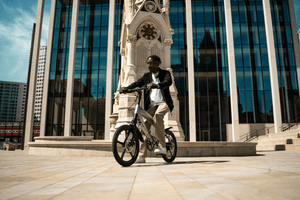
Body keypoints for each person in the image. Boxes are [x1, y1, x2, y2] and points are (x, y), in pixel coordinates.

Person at [120, 55, 174, 163]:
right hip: (152, 105)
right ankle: (141, 156)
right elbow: (137, 83)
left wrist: (157, 85)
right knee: (142, 128)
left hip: (164, 103)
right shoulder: (146, 76)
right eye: (147, 63)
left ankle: (162, 146)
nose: (148, 65)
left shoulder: (165, 73)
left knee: (158, 116)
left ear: (157, 63)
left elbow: (168, 82)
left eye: (151, 63)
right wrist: (126, 89)